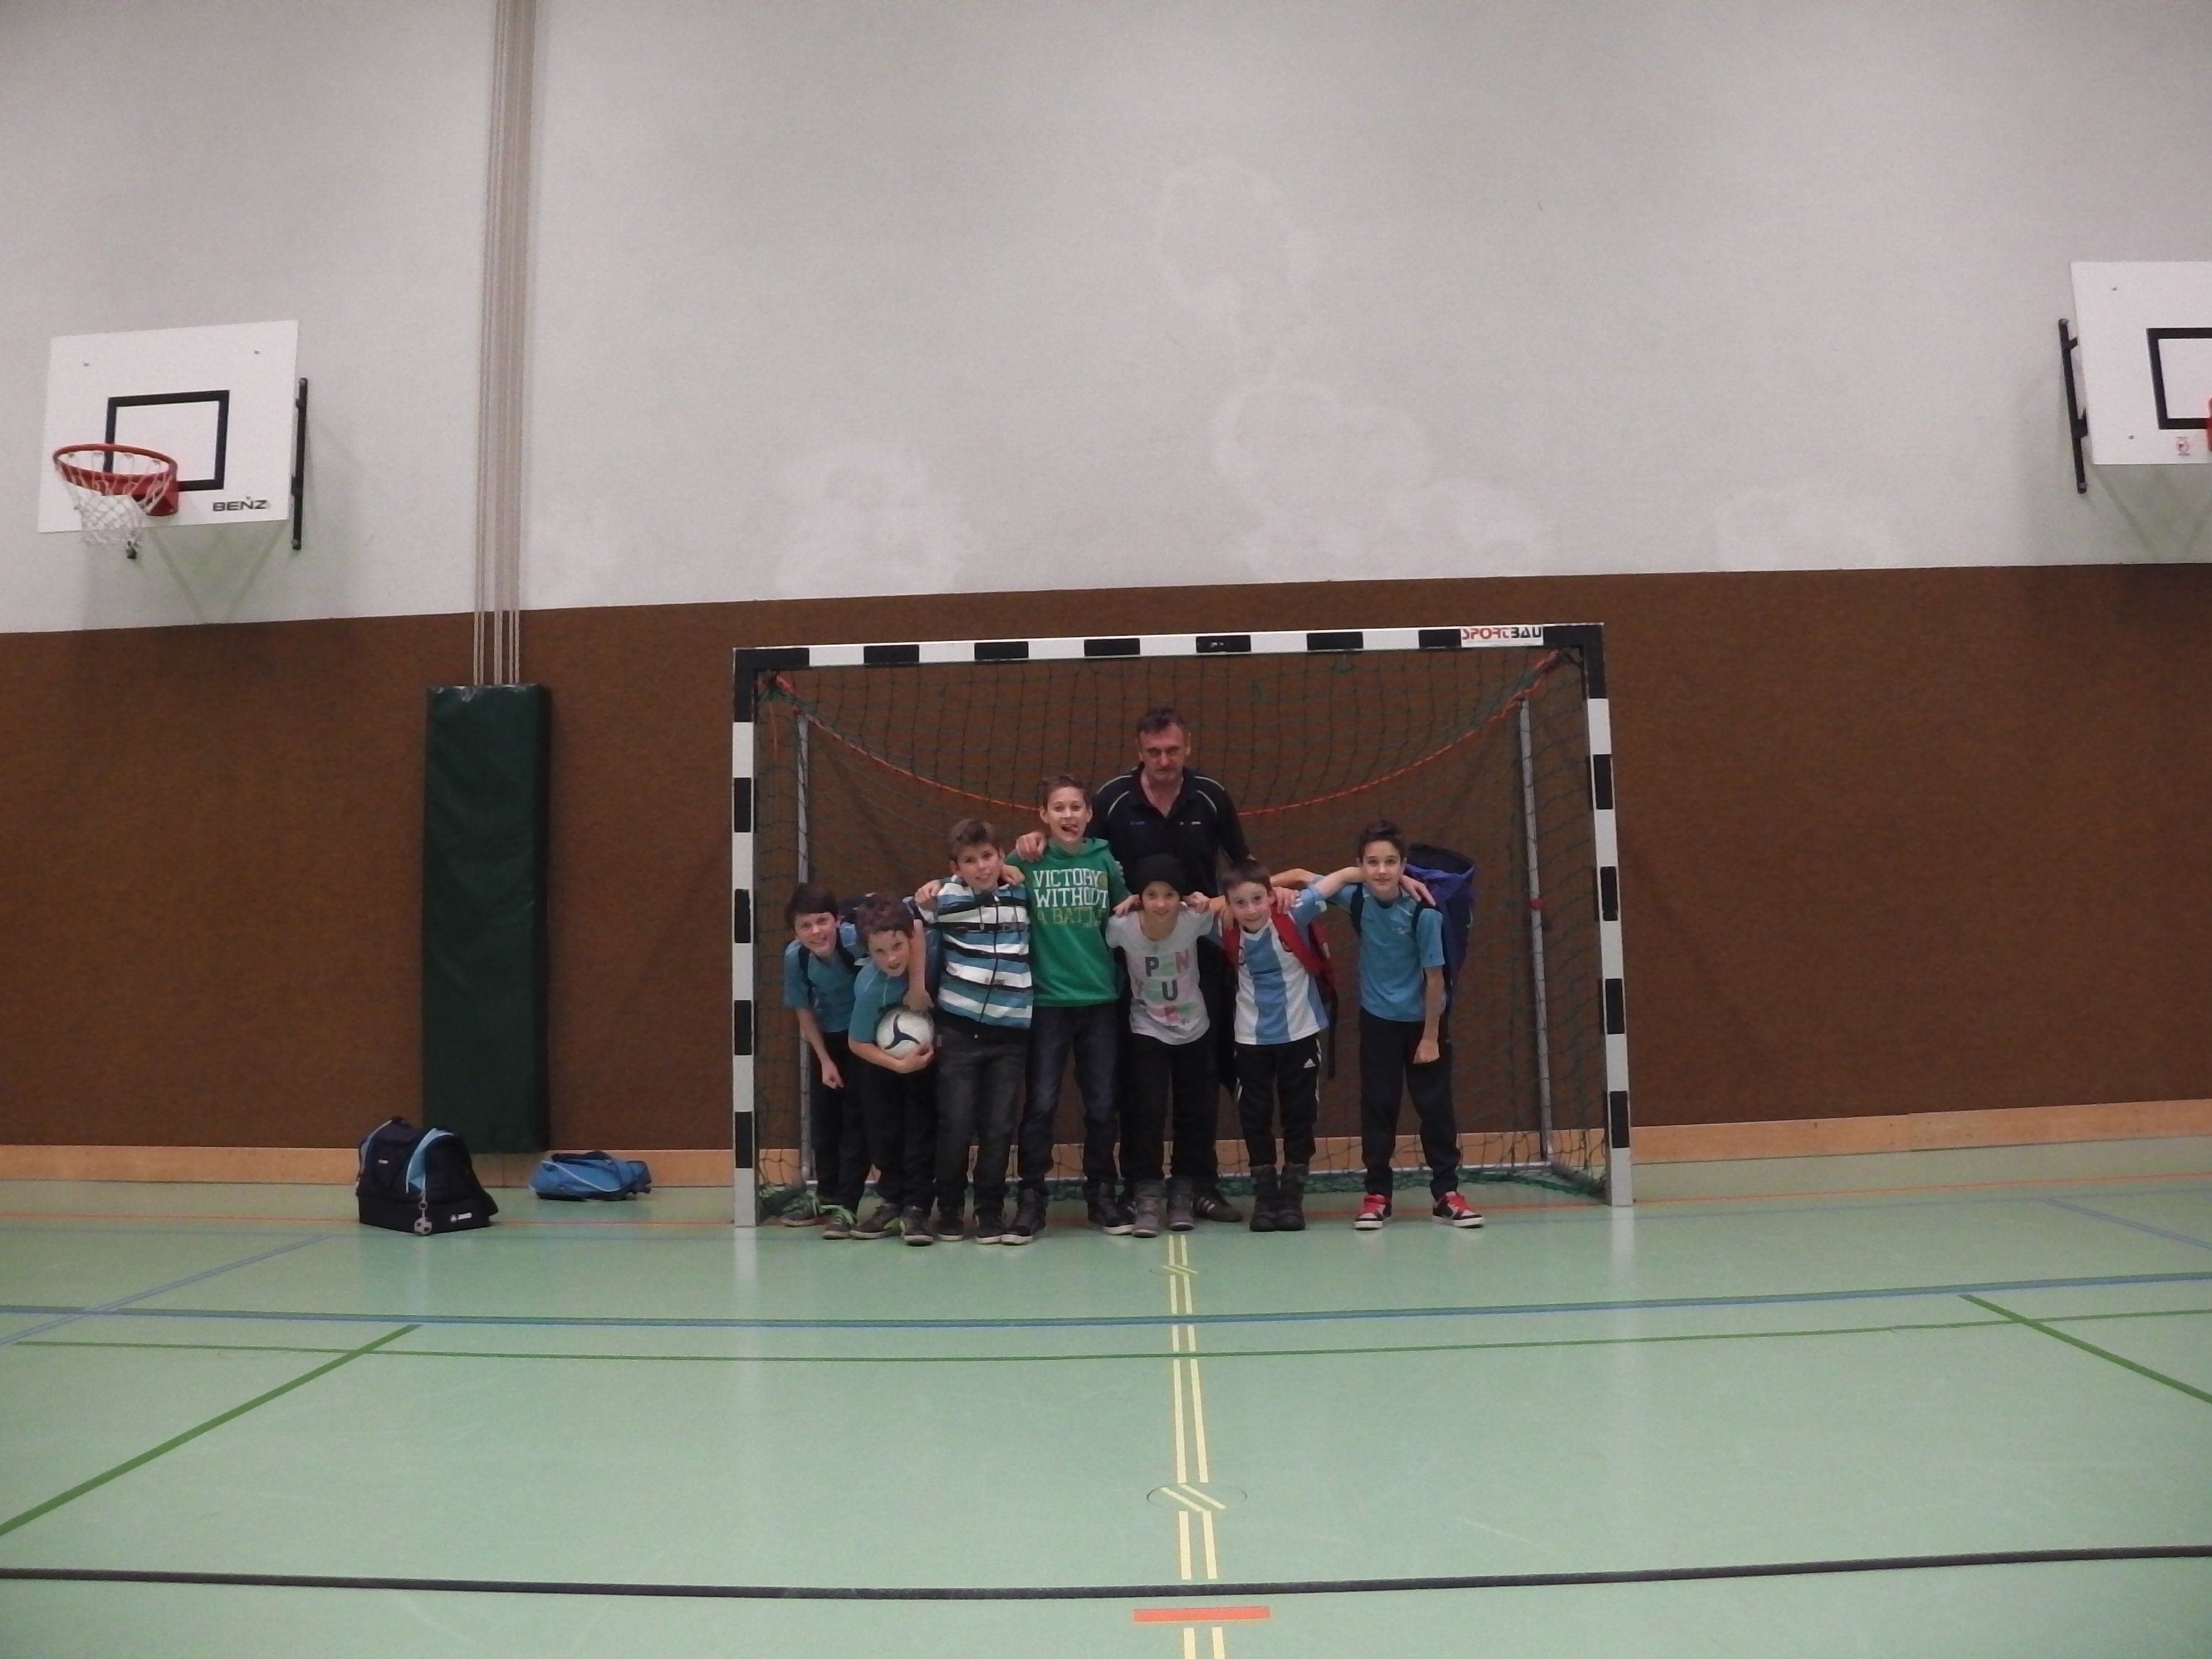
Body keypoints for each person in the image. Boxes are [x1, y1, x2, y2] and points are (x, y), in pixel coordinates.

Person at [1016, 708, 1250, 1222]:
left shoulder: (1211, 796)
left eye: (1173, 751)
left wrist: (1220, 904)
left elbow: (1243, 865)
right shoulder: (1114, 800)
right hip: (1130, 964)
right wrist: (1033, 843)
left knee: (1198, 1081)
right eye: (1154, 752)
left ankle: (1198, 1185)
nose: (1164, 760)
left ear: (1188, 748)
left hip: (1198, 956)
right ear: (1139, 752)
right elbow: (1076, 848)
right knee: (1134, 1086)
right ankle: (1134, 1187)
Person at [1308, 820, 1483, 1230]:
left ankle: (1447, 1193)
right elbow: (1301, 878)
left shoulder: (1424, 912)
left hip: (1424, 1022)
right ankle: (1377, 1195)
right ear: (1360, 866)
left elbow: (1436, 979)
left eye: (1391, 862)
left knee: (1435, 1109)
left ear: (1404, 865)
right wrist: (1222, 900)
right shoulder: (1356, 897)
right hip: (1378, 1023)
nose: (1382, 870)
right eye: (1372, 863)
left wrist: (1430, 1037)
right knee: (1379, 1106)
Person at [1008, 776, 1134, 1236]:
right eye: (1058, 808)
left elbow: (1125, 910)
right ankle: (1031, 1199)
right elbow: (980, 875)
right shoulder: (1026, 859)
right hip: (1047, 1003)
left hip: (1099, 1000)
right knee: (1041, 1104)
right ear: (1043, 815)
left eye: (1076, 807)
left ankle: (1102, 1197)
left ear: (1089, 813)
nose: (1068, 815)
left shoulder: (1104, 861)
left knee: (1101, 1105)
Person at [916, 819, 1033, 1245]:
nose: (981, 867)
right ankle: (949, 1209)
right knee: (956, 1124)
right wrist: (926, 894)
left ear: (1001, 856)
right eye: (970, 860)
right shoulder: (945, 898)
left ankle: (989, 1210)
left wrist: (1015, 869)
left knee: (999, 1127)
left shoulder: (1022, 893)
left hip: (1011, 1034)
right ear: (956, 868)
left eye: (988, 857)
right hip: (960, 1033)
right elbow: (908, 920)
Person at [1105, 856, 1221, 1236]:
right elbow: (1099, 937)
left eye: (1169, 895)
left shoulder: (1194, 920)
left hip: (1194, 1029)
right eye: (1151, 894)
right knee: (1147, 1111)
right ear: (1140, 897)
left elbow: (1232, 903)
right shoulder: (1122, 927)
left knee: (1193, 1111)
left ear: (1180, 897)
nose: (1160, 903)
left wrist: (1205, 901)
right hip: (1147, 1029)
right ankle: (1146, 1191)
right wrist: (1125, 903)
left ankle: (1184, 1189)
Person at [1217, 859, 1331, 1233]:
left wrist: (1295, 878)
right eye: (1240, 903)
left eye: (1258, 899)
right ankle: (1265, 1199)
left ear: (1269, 896)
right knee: (1255, 1116)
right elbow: (1181, 909)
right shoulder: (1222, 927)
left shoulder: (1293, 913)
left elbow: (1333, 881)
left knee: (1300, 1115)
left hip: (1301, 1033)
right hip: (1250, 1040)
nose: (1251, 909)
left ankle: (1292, 1199)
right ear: (1229, 906)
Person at [844, 899, 940, 1244]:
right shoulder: (870, 986)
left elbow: (919, 925)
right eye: (880, 952)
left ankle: (917, 1209)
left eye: (897, 946)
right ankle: (891, 1202)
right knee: (885, 1134)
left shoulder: (926, 952)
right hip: (881, 1063)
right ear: (868, 952)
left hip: (926, 1061)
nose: (892, 958)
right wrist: (899, 1065)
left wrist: (917, 987)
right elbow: (857, 1043)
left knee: (921, 1130)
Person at [778, 883, 869, 1238]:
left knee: (857, 1123)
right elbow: (803, 1010)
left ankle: (847, 1205)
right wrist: (825, 1060)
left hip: (866, 1038)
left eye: (822, 921)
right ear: (795, 931)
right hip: (829, 1040)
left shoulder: (855, 941)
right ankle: (826, 1196)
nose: (816, 932)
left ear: (837, 920)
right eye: (806, 926)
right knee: (825, 1123)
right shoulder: (795, 958)